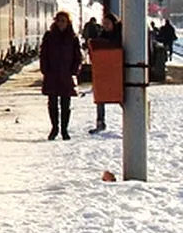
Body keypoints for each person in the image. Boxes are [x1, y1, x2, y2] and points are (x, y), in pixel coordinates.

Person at [40, 10, 84, 140]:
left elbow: (78, 57)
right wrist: (45, 69)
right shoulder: (49, 36)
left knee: (66, 104)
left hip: (66, 75)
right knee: (52, 103)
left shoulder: (73, 38)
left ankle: (64, 130)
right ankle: (54, 128)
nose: (60, 24)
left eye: (63, 21)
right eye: (58, 21)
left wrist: (74, 71)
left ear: (68, 23)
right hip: (52, 74)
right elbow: (43, 55)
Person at [89, 12, 122, 134]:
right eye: (104, 24)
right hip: (105, 70)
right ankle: (100, 122)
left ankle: (129, 122)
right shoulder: (102, 35)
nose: (105, 26)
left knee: (122, 97)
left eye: (108, 23)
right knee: (101, 97)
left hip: (118, 70)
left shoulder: (121, 35)